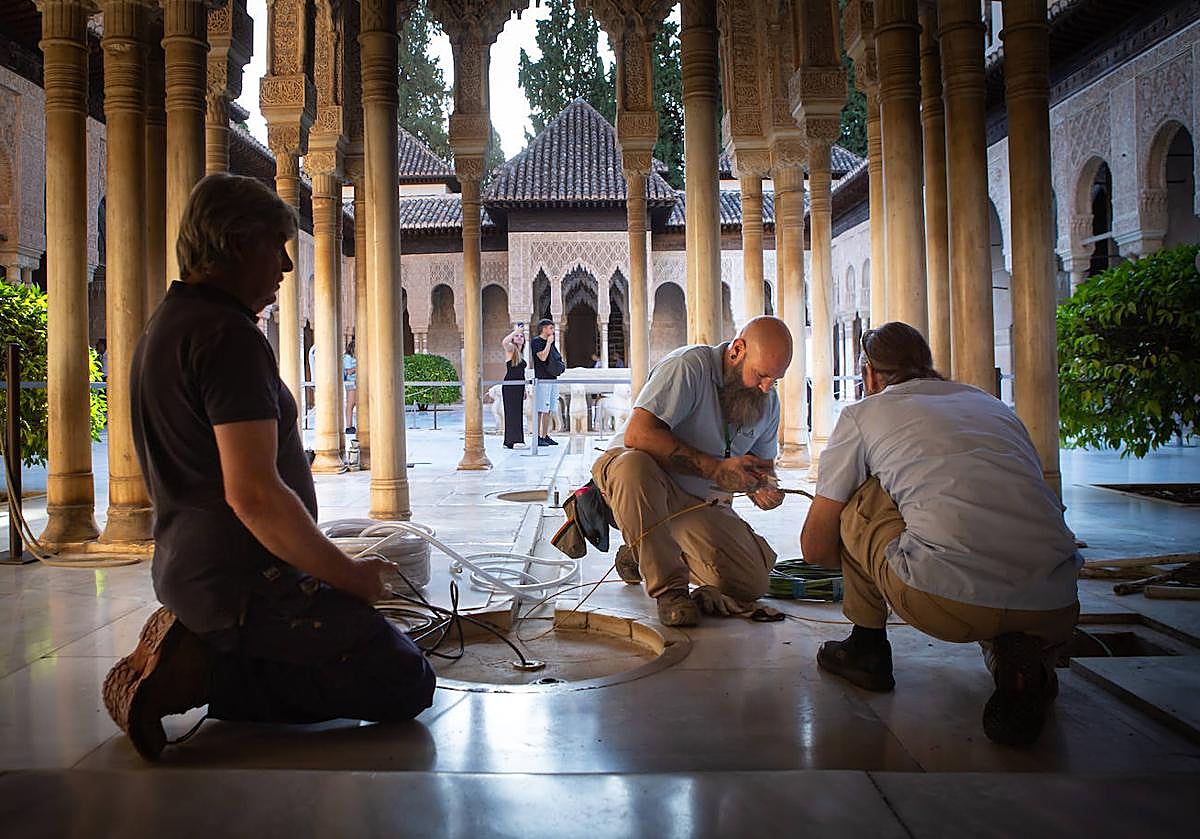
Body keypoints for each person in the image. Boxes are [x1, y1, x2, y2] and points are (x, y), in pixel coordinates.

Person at [103, 173, 435, 761]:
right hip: (248, 587)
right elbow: (253, 495)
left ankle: (209, 643)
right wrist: (346, 576)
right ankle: (205, 671)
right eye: (274, 246)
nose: (285, 266)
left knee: (376, 643)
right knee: (406, 677)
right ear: (235, 243)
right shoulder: (227, 337)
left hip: (192, 573)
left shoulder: (168, 324)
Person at [799, 321, 1081, 747]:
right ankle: (1020, 662)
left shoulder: (864, 413)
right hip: (1056, 602)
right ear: (926, 366)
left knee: (858, 497)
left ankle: (866, 647)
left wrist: (864, 558)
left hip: (946, 601)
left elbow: (815, 548)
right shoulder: (991, 405)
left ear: (870, 374)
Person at [590, 316, 793, 627]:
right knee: (634, 466)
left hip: (697, 503)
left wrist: (764, 487)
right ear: (737, 350)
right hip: (641, 484)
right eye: (761, 375)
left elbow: (762, 468)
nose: (766, 387)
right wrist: (715, 469)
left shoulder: (767, 401)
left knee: (751, 583)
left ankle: (641, 551)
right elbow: (638, 436)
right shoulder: (689, 366)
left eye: (774, 380)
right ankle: (670, 591)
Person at [531, 318, 563, 447]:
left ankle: (545, 435)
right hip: (542, 379)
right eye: (551, 328)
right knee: (541, 409)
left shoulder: (551, 342)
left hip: (552, 378)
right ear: (544, 328)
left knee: (549, 409)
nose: (553, 331)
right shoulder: (536, 342)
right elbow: (542, 357)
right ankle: (537, 436)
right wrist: (548, 343)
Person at [500, 324, 528, 449]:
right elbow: (504, 342)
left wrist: (524, 389)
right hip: (511, 385)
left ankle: (510, 441)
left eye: (521, 336)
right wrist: (515, 331)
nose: (519, 337)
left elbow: (521, 373)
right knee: (512, 413)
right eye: (517, 336)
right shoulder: (511, 349)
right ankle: (516, 440)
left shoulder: (521, 353)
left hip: (519, 386)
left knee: (517, 412)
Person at [343, 339, 357, 433]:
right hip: (351, 382)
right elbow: (348, 371)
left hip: (358, 382)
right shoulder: (347, 357)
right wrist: (358, 367)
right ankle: (349, 426)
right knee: (350, 404)